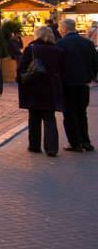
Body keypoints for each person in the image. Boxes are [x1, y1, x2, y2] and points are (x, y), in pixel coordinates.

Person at [17, 26, 65, 156]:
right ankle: (52, 148)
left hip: (34, 87)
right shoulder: (58, 51)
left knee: (34, 118)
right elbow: (62, 70)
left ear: (37, 35)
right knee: (49, 118)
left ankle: (34, 146)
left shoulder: (31, 49)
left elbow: (21, 68)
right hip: (51, 88)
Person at [56, 18, 98, 152]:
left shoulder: (60, 44)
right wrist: (90, 76)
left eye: (60, 28)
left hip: (67, 84)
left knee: (69, 114)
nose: (59, 30)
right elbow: (96, 63)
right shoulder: (88, 43)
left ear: (65, 28)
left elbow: (58, 66)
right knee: (81, 113)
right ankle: (86, 141)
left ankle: (75, 143)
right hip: (83, 84)